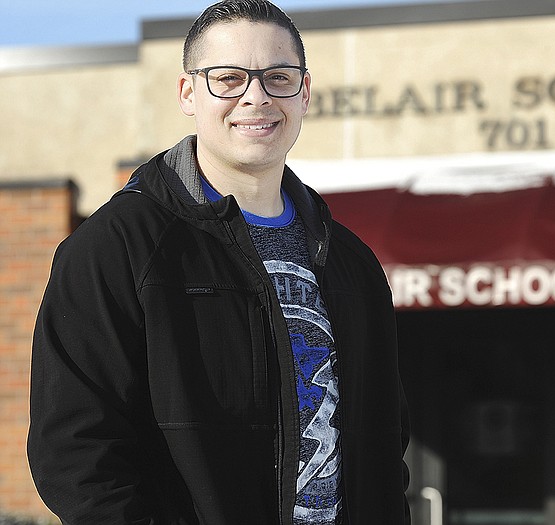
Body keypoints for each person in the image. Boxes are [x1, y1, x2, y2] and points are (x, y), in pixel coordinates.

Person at [27, 1, 410, 523]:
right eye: (228, 78)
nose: (255, 97)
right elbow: (76, 453)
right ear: (188, 93)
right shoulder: (116, 246)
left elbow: (386, 451)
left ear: (305, 93)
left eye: (278, 77)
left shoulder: (351, 263)